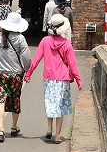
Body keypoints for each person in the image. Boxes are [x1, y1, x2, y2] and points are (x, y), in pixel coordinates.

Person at [24, 13, 83, 143]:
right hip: (62, 78)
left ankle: (49, 129)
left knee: (50, 103)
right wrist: (77, 79)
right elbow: (72, 64)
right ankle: (57, 135)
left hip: (49, 78)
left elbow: (36, 59)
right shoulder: (66, 44)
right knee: (60, 107)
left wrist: (28, 74)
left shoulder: (45, 41)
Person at [0, 11, 30, 143]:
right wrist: (27, 69)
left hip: (0, 73)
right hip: (16, 75)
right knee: (15, 99)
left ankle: (1, 129)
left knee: (1, 99)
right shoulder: (20, 38)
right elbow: (26, 57)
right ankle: (13, 126)